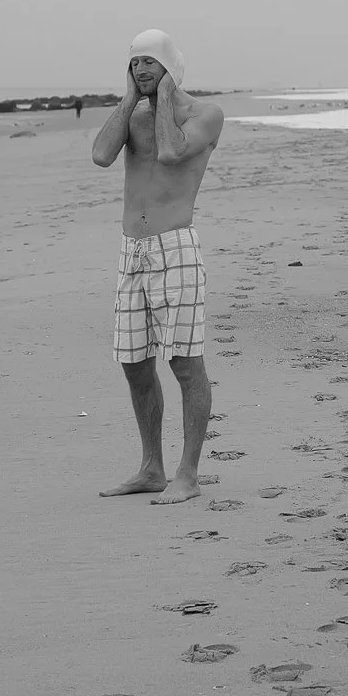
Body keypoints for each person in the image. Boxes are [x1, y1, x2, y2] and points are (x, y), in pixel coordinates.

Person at [89, 30, 225, 503]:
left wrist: (165, 95)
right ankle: (151, 468)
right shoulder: (133, 114)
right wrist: (131, 99)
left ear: (170, 65)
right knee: (134, 363)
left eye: (150, 62)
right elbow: (101, 155)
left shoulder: (206, 114)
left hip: (176, 249)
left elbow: (171, 152)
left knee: (184, 362)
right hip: (133, 251)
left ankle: (188, 475)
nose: (141, 70)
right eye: (134, 63)